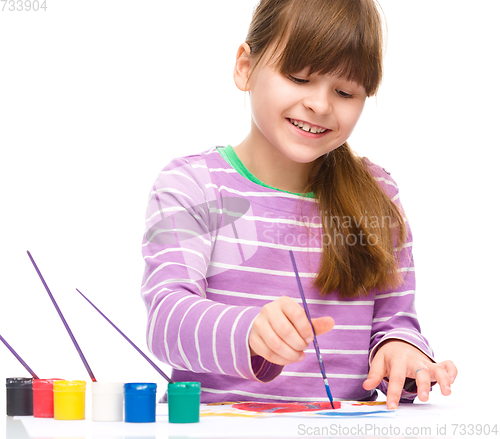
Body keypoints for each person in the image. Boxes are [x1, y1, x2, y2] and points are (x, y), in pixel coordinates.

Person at [140, 0, 457, 409]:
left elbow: (395, 322)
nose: (321, 105)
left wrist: (403, 353)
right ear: (245, 67)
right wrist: (249, 330)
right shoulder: (192, 186)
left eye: (345, 91)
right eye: (299, 77)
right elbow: (166, 322)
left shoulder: (378, 195)